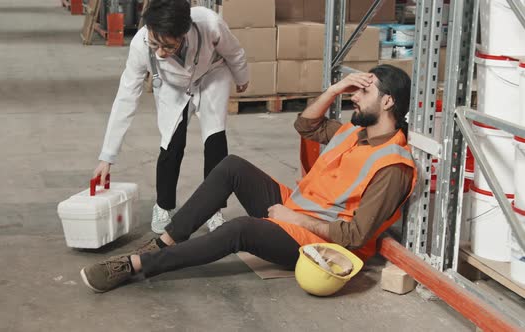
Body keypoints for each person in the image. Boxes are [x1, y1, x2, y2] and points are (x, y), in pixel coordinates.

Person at [80, 65, 417, 293]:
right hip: (297, 210)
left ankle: (138, 264)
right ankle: (163, 242)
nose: (354, 96)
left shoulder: (392, 166)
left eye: (363, 92)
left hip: (319, 242)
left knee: (238, 229)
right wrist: (335, 88)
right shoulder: (354, 133)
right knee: (232, 166)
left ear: (388, 102)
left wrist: (294, 218)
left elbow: (355, 236)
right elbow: (306, 126)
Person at [94, 0, 249, 234]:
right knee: (171, 143)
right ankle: (164, 206)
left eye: (168, 46)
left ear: (184, 34)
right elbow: (126, 97)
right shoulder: (140, 45)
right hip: (171, 85)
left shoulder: (210, 25)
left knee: (215, 140)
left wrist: (241, 77)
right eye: (155, 43)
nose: (159, 52)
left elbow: (234, 51)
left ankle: (213, 209)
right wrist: (107, 156)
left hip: (211, 75)